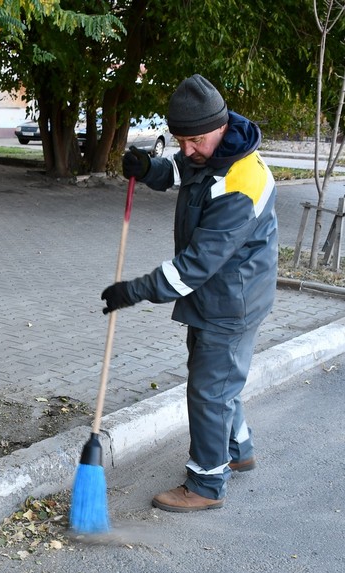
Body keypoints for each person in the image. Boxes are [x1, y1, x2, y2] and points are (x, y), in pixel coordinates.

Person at [101, 74, 278, 512]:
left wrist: (135, 290)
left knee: (208, 390)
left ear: (219, 126)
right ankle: (238, 450)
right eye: (181, 140)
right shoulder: (212, 150)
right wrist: (149, 170)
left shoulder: (243, 181)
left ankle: (206, 483)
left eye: (195, 140)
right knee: (218, 379)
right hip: (220, 295)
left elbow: (195, 266)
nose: (188, 149)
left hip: (230, 301)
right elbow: (183, 170)